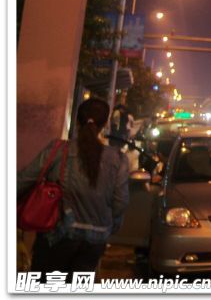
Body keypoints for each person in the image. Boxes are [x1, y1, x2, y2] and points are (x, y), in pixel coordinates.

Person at [17, 98, 130, 276]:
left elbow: (23, 180)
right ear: (105, 124)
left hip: (57, 237)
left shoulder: (58, 149)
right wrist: (107, 226)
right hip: (95, 240)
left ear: (77, 121)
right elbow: (121, 203)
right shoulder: (119, 159)